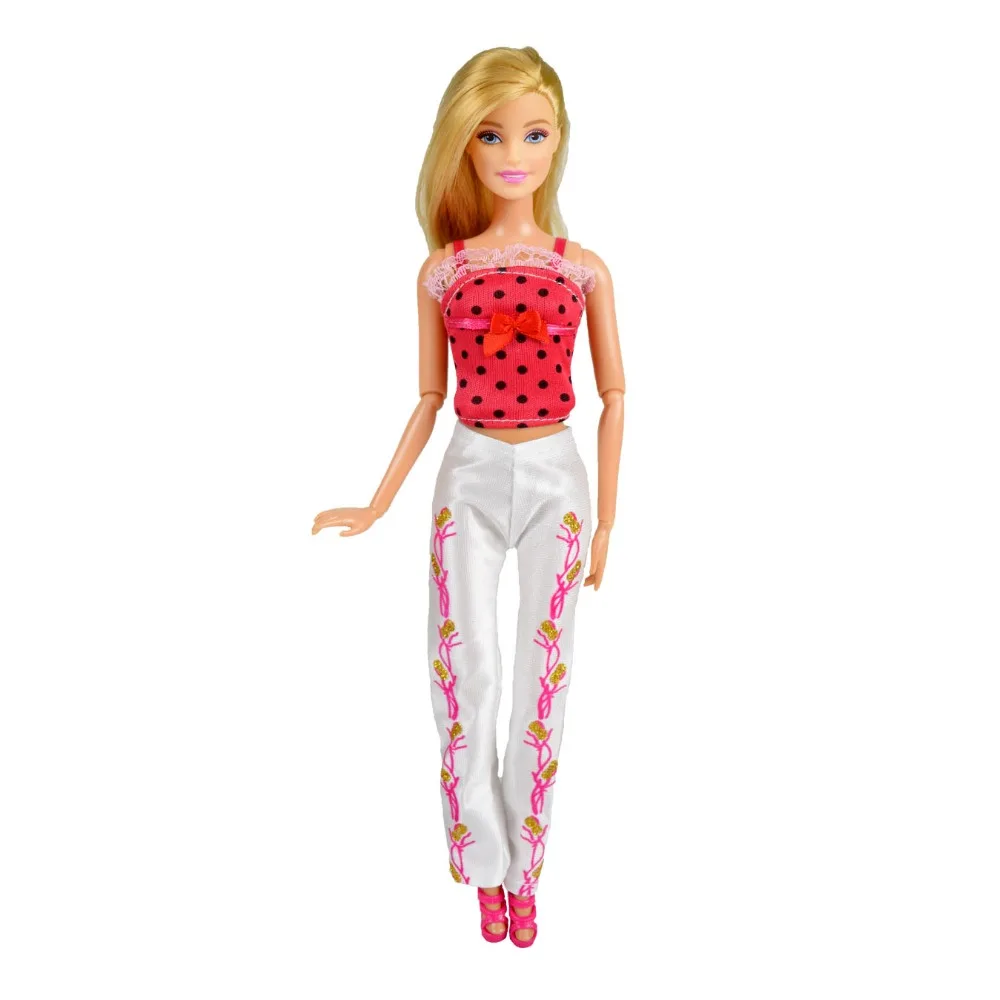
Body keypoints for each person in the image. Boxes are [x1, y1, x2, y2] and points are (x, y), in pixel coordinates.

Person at [313, 45, 625, 947]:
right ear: (462, 144)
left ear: (559, 142)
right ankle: (481, 860)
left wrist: (608, 519)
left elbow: (616, 395)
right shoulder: (442, 271)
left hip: (559, 473)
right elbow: (427, 396)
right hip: (470, 470)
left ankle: (525, 868)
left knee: (543, 675)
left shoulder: (584, 268)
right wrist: (376, 503)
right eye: (491, 135)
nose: (512, 153)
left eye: (533, 133)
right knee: (464, 669)